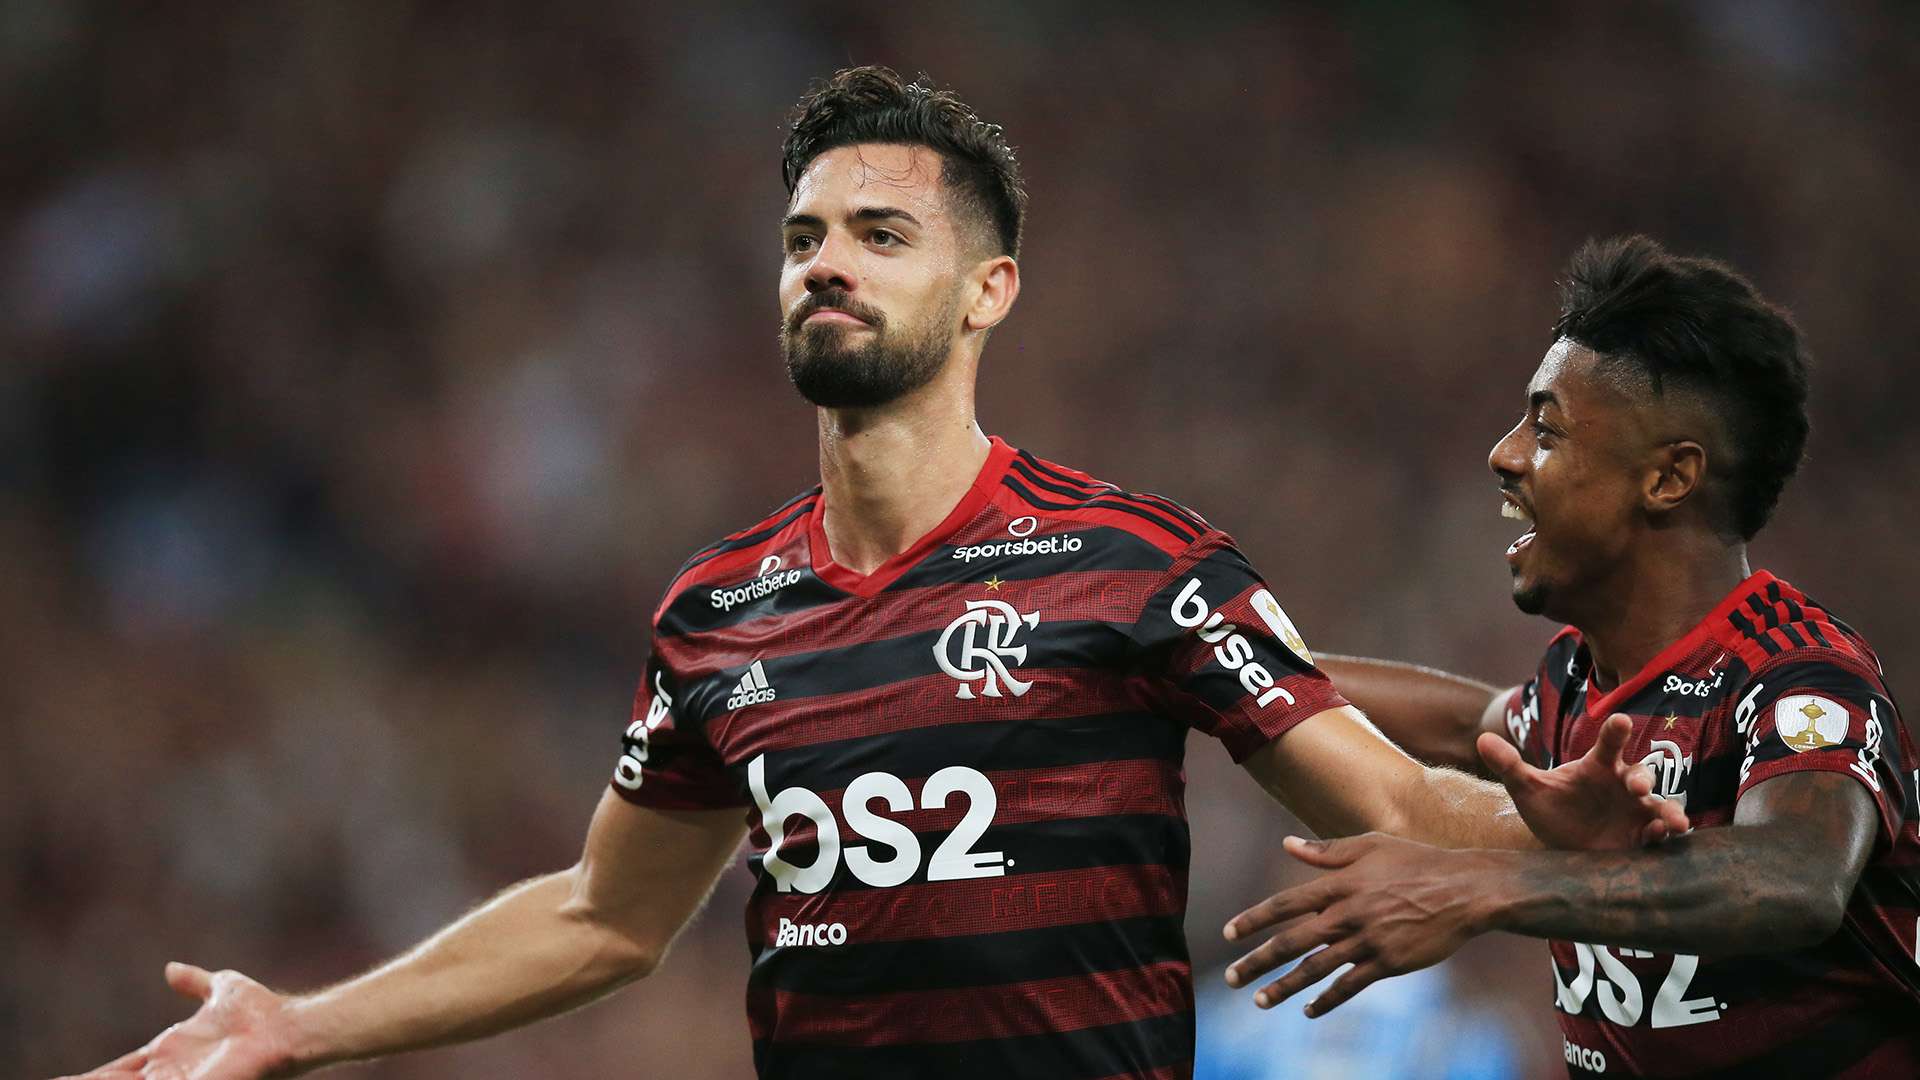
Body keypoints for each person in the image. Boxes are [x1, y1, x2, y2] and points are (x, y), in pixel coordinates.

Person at [66, 70, 1683, 1080]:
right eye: (803, 235)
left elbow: (1390, 813)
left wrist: (1573, 855)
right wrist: (299, 1025)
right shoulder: (717, 613)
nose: (825, 258)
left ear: (989, 292)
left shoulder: (1137, 562)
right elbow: (600, 920)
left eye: (879, 234)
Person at [1221, 237, 1920, 1077]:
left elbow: (1796, 878)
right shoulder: (1577, 684)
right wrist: (1206, 658)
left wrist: (1478, 888)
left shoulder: (1796, 676)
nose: (1506, 454)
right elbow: (1461, 722)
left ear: (1668, 479)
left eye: (1546, 429)